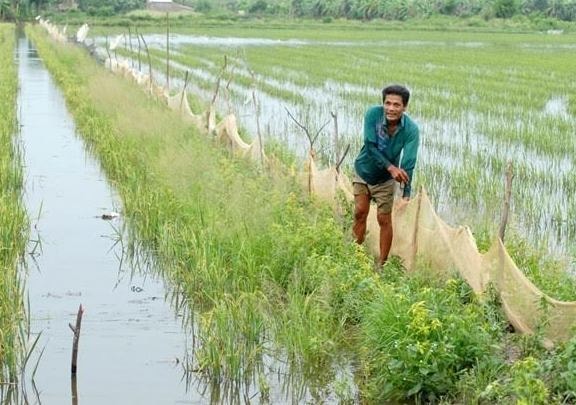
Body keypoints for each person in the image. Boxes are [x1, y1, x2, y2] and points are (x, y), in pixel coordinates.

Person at [352, 84, 420, 266]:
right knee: (360, 212)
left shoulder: (411, 130)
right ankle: (355, 256)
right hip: (363, 170)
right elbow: (370, 146)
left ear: (404, 107)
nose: (391, 108)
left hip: (384, 181)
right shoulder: (373, 115)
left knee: (383, 219)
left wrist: (406, 193)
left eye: (396, 105)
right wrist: (391, 167)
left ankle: (382, 264)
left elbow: (408, 164)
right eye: (387, 103)